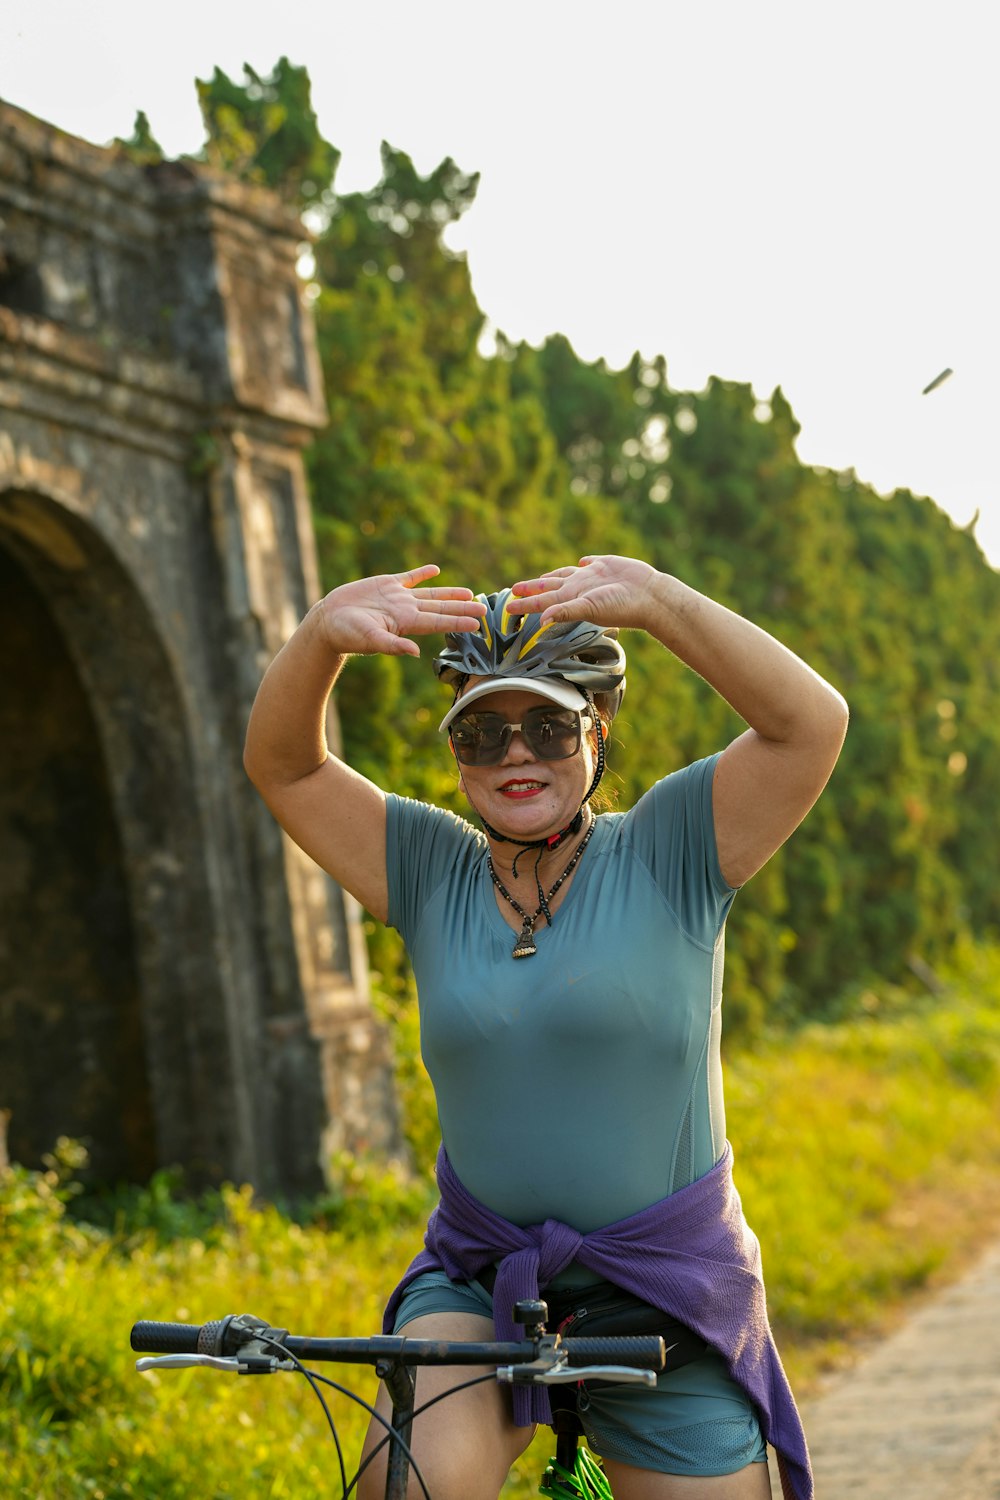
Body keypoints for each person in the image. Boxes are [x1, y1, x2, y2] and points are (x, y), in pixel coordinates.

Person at [243, 554, 849, 1500]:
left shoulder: (674, 845)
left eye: (546, 724)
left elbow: (812, 723)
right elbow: (283, 764)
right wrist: (321, 634)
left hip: (665, 1287)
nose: (514, 754)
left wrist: (660, 603)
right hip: (483, 1277)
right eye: (481, 732)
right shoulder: (429, 867)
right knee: (407, 1484)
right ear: (457, 752)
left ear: (596, 729)